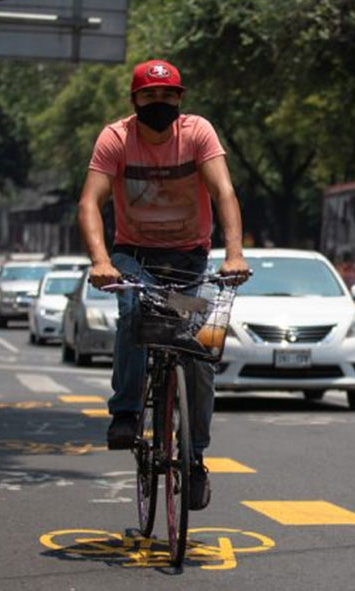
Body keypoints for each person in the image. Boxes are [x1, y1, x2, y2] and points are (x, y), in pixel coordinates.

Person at [78, 59, 250, 510]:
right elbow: (89, 203)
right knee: (134, 314)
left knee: (199, 354)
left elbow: (224, 193)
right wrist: (100, 262)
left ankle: (194, 458)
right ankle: (126, 413)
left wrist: (234, 254)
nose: (160, 103)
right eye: (150, 97)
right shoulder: (115, 138)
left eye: (168, 96)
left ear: (180, 99)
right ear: (135, 101)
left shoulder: (197, 133)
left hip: (190, 261)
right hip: (133, 258)